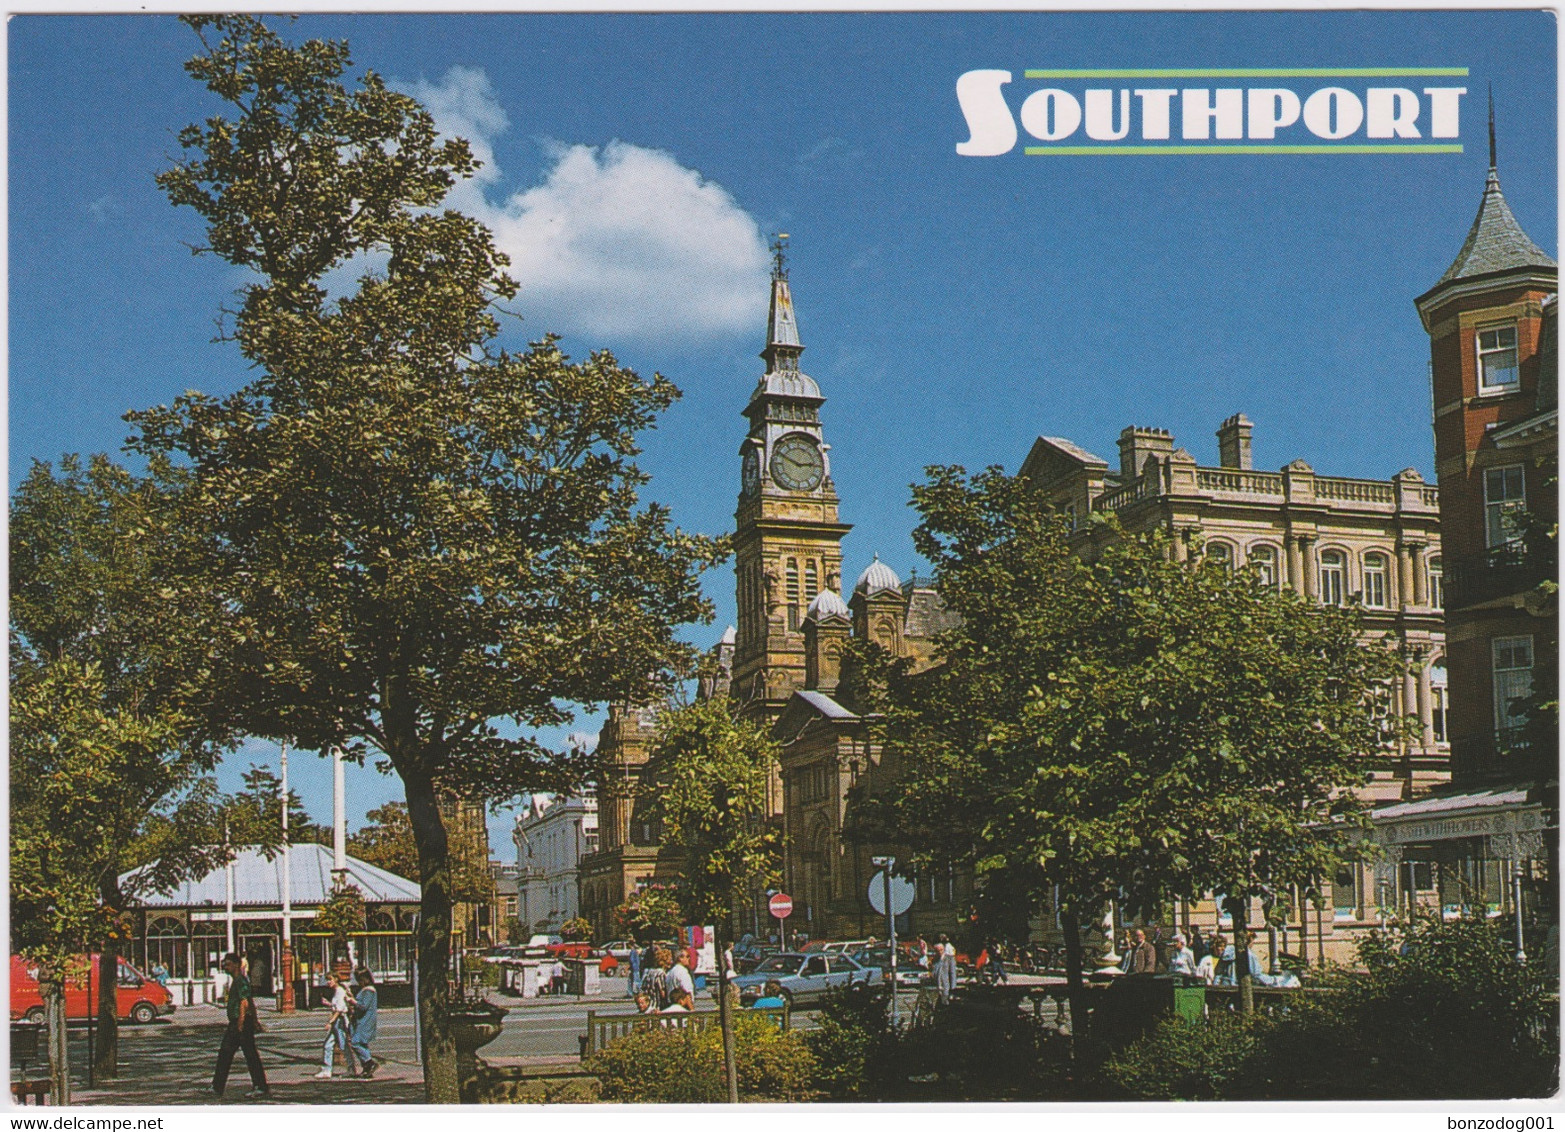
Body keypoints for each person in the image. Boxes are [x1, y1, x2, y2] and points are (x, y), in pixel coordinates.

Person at [211, 952, 269, 1099]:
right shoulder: (238, 981)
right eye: (224, 964)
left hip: (239, 1023)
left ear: (237, 965)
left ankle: (259, 1086)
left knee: (237, 1054)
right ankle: (217, 1087)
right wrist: (255, 1020)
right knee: (238, 1054)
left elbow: (244, 1002)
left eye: (228, 964)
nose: (225, 967)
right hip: (241, 1022)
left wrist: (241, 1023)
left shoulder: (240, 981)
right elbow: (250, 1001)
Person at [314, 971, 355, 1078]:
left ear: (336, 979)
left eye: (330, 979)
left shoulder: (340, 991)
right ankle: (327, 1070)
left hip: (340, 1021)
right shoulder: (337, 991)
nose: (328, 982)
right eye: (327, 980)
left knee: (343, 1045)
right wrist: (328, 1003)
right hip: (337, 1021)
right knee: (328, 1045)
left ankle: (351, 1068)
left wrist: (330, 1022)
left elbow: (339, 1009)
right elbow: (337, 1005)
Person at [348, 968, 379, 1079]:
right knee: (362, 1043)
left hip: (365, 1020)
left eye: (359, 979)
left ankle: (369, 1062)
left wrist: (353, 1001)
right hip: (361, 1020)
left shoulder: (368, 991)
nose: (357, 981)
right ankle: (366, 1068)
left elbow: (363, 1006)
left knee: (356, 1042)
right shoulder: (365, 990)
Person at [935, 934, 957, 1004]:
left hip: (945, 988)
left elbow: (952, 973)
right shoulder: (936, 958)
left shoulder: (949, 947)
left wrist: (953, 988)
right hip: (937, 987)